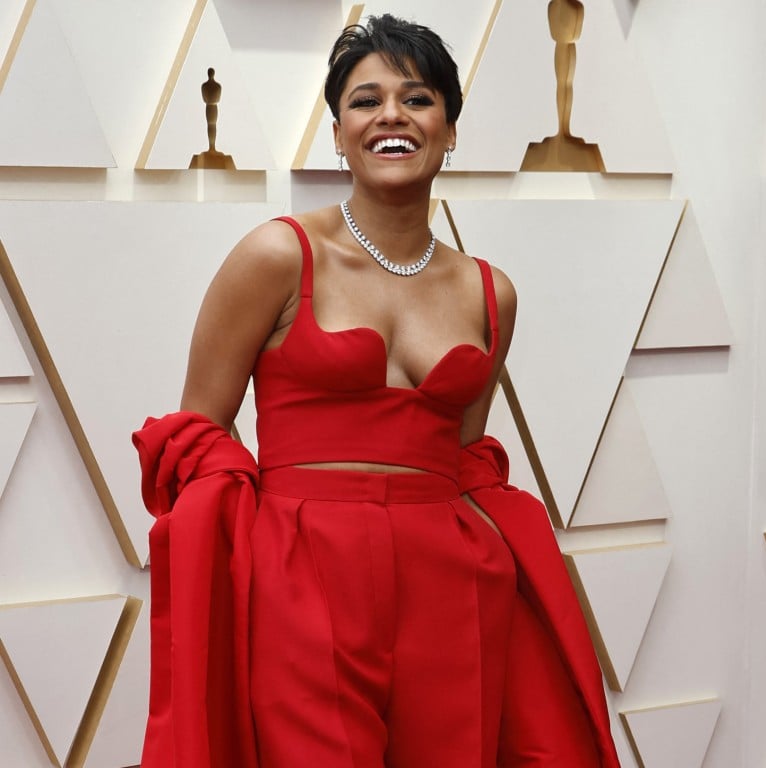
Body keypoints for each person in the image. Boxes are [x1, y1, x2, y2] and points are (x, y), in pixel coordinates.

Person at [133, 14, 620, 768]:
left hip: (451, 588)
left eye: (417, 98)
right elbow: (197, 434)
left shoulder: (493, 293)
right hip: (302, 575)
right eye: (365, 101)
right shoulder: (276, 255)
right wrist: (260, 539)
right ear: (337, 133)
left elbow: (463, 458)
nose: (391, 115)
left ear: (450, 130)